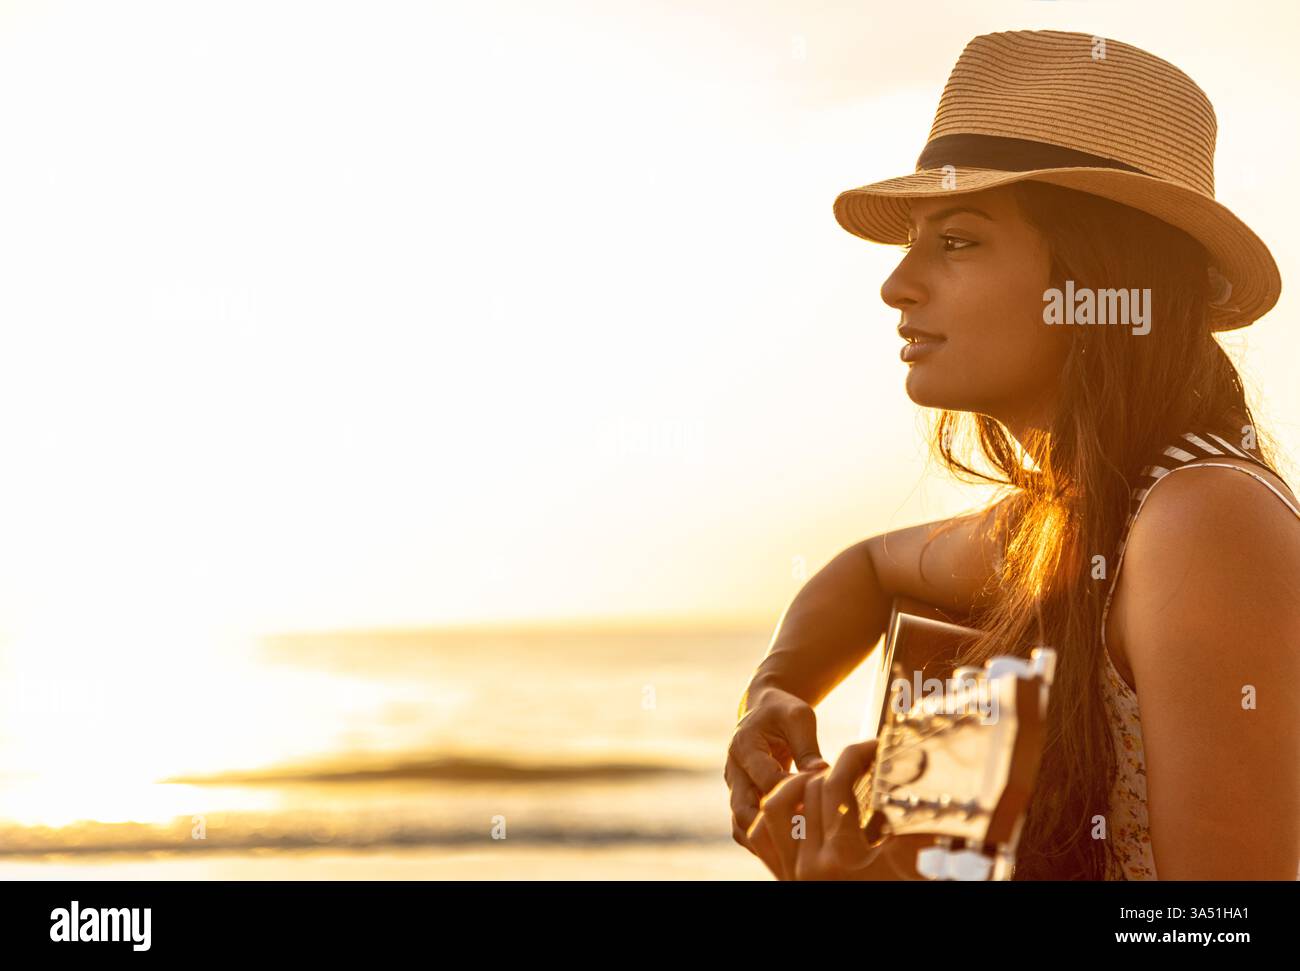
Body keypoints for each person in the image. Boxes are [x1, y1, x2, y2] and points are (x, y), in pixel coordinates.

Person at [724, 29, 1300, 880]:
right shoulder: (1073, 522)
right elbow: (870, 569)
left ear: (1103, 277)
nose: (897, 283)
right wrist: (773, 693)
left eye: (955, 241)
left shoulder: (1204, 517)